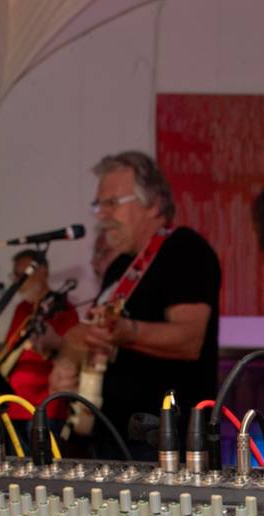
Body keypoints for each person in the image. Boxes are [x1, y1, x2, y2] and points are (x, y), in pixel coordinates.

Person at [62, 150, 222, 456]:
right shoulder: (119, 265)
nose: (101, 214)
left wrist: (127, 332)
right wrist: (68, 362)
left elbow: (190, 340)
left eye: (112, 203)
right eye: (98, 205)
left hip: (165, 443)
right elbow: (100, 335)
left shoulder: (185, 250)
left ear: (154, 204)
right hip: (114, 437)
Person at [0, 249, 78, 422]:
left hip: (45, 407)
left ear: (43, 272)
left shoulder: (64, 309)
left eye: (23, 275)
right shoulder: (22, 308)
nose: (18, 281)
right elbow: (9, 349)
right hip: (13, 404)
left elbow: (71, 355)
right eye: (16, 276)